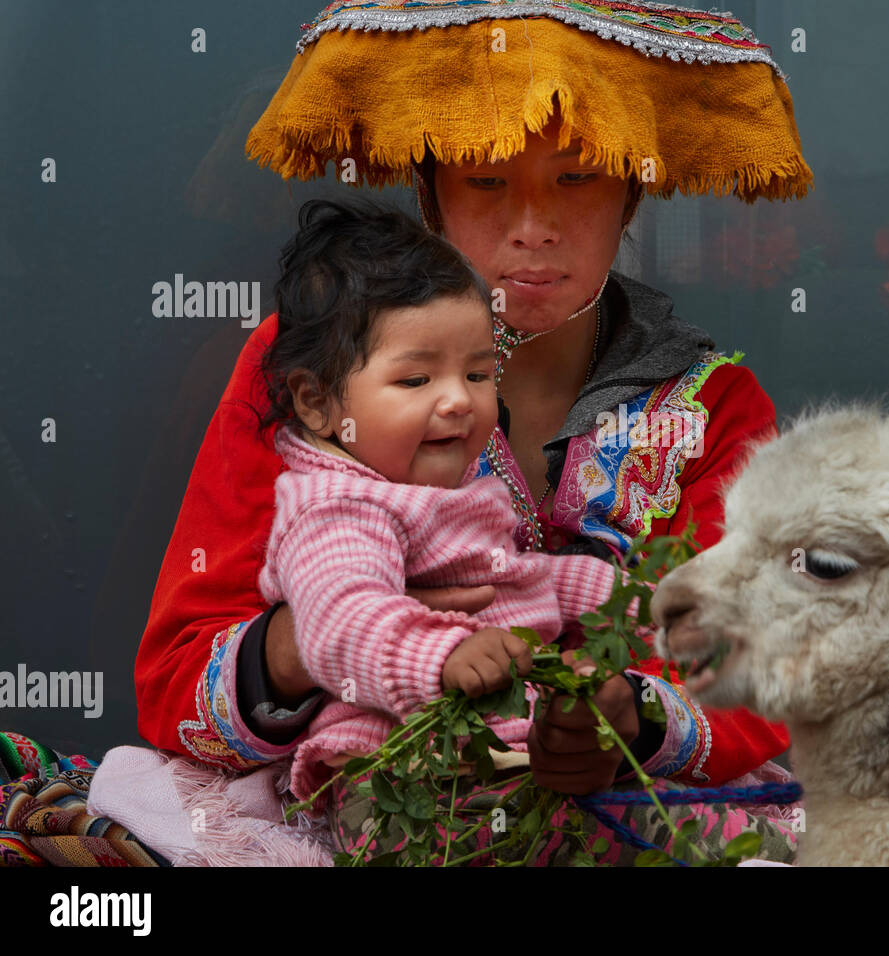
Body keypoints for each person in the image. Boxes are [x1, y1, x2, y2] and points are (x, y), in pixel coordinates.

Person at [125, 0, 814, 864]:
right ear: (429, 189)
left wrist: (628, 719)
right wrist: (324, 637)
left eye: (576, 177)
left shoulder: (714, 410)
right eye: (487, 182)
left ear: (632, 188)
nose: (533, 226)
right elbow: (174, 677)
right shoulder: (305, 367)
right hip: (353, 809)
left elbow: (762, 669)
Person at [254, 196, 644, 810]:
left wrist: (639, 605)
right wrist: (441, 657)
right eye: (416, 380)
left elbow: (523, 579)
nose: (459, 401)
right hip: (400, 771)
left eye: (479, 375)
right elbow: (339, 618)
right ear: (317, 402)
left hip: (503, 751)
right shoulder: (340, 507)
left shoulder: (449, 492)